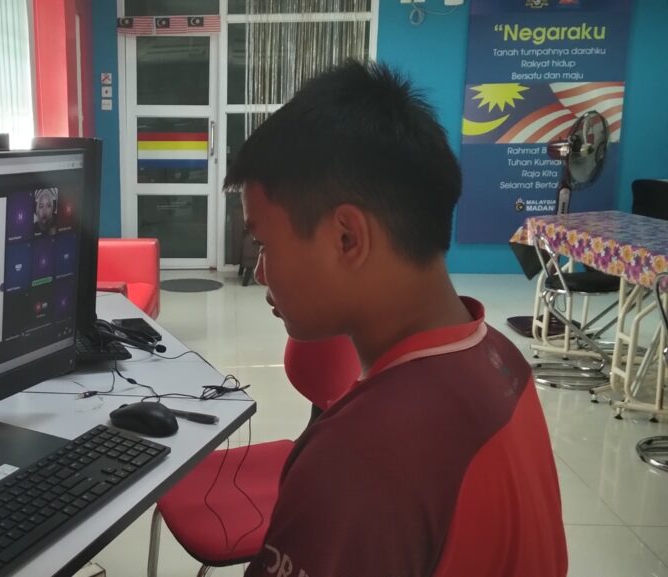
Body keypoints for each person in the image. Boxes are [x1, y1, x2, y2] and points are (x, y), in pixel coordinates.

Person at [226, 61, 567, 577]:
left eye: (264, 243)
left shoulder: (360, 460)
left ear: (348, 238)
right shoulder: (502, 357)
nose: (258, 273)